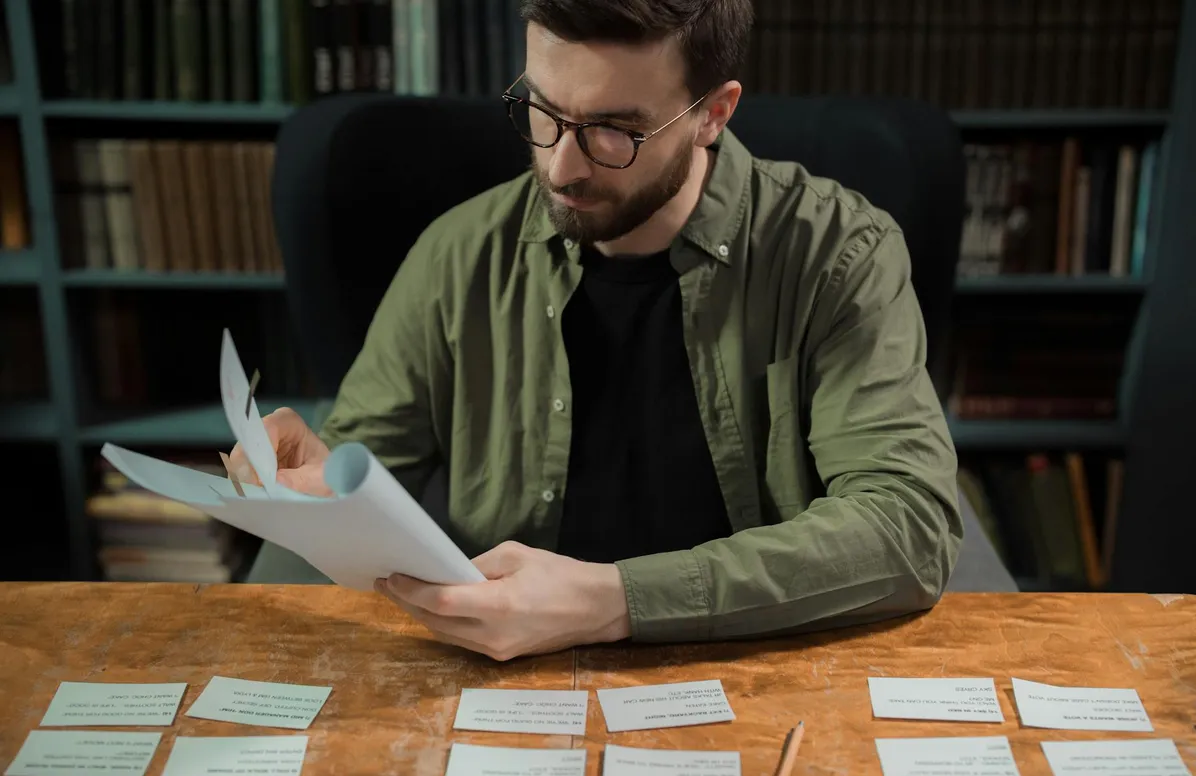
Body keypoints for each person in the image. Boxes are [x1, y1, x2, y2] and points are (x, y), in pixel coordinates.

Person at [231, 0, 963, 661]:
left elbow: (906, 526)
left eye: (614, 131)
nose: (559, 166)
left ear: (713, 112)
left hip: (751, 668)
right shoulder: (459, 256)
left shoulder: (837, 254)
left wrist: (613, 600)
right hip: (508, 683)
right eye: (543, 111)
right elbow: (368, 470)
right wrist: (321, 484)